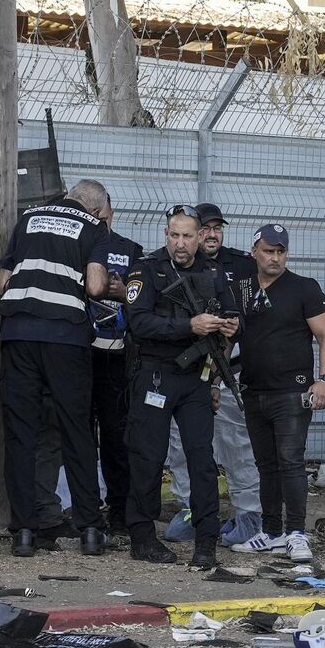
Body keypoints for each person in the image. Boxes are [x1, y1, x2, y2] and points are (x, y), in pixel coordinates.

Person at [124, 205, 240, 571]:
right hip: (155, 373)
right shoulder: (147, 269)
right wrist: (190, 325)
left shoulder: (213, 272)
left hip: (196, 378)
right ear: (166, 235)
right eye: (174, 235)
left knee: (201, 459)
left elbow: (232, 313)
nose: (180, 243)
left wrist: (229, 328)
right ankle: (142, 537)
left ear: (200, 237)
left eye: (187, 236)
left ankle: (206, 539)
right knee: (148, 455)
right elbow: (139, 322)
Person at [0, 189, 111, 557]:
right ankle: (90, 529)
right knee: (75, 429)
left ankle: (24, 533)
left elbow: (2, 283)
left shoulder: (28, 217)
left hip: (18, 334)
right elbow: (95, 285)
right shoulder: (94, 226)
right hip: (66, 338)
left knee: (20, 432)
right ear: (94, 207)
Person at [229, 223, 325, 564]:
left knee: (291, 463)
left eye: (281, 252)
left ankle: (297, 533)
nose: (275, 258)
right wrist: (214, 381)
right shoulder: (240, 288)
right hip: (253, 391)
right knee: (266, 466)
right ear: (254, 252)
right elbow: (227, 338)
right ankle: (272, 532)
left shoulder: (304, 287)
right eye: (269, 251)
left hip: (293, 392)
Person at [164, 203, 264, 545]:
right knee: (180, 444)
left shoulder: (241, 266)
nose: (211, 234)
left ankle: (248, 514)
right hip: (188, 370)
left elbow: (251, 319)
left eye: (216, 228)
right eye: (204, 229)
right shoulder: (175, 265)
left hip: (229, 369)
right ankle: (190, 508)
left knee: (237, 445)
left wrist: (220, 374)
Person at [81, 180, 144, 530]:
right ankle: (86, 511)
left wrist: (123, 294)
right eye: (93, 218)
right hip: (79, 352)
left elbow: (143, 301)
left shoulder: (131, 249)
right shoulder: (76, 242)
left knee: (118, 437)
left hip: (118, 356)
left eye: (103, 219)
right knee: (79, 437)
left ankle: (120, 510)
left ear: (112, 216)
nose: (98, 225)